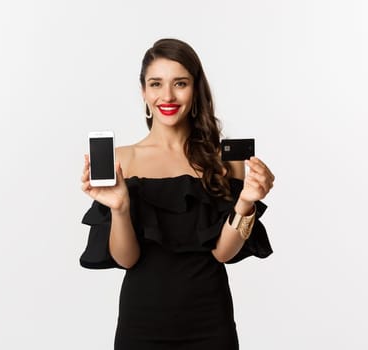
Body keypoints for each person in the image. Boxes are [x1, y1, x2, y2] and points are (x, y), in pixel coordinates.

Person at [78, 38, 275, 349]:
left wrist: (247, 203)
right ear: (143, 91)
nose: (167, 95)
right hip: (141, 323)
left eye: (179, 83)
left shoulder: (224, 160)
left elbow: (223, 253)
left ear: (195, 90)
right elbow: (126, 259)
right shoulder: (122, 160)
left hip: (210, 322)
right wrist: (119, 208)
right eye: (156, 84)